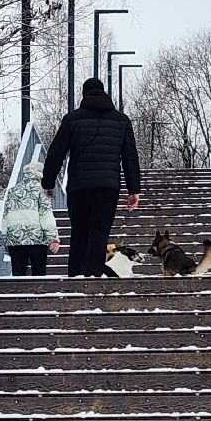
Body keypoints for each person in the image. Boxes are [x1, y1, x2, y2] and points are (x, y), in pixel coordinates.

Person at [42, 77, 141, 277]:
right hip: (108, 186)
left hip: (79, 186)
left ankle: (76, 275)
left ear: (84, 95)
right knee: (100, 232)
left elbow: (56, 153)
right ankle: (94, 275)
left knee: (79, 231)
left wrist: (48, 182)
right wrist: (133, 190)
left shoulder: (73, 119)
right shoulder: (121, 121)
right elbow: (130, 156)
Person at [0, 159, 61, 276]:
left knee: (18, 276)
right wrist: (53, 239)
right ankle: (38, 294)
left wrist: (4, 242)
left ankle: (19, 293)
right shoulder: (43, 191)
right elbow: (46, 216)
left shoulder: (13, 191)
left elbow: (5, 218)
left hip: (15, 239)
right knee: (39, 275)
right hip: (37, 239)